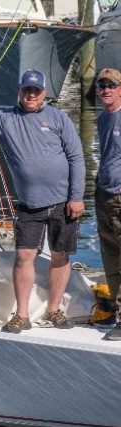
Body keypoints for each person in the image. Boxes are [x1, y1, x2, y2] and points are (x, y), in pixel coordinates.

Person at [0, 69, 84, 333]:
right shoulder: (4, 118)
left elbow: (76, 158)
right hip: (29, 204)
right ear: (19, 90)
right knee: (23, 256)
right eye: (26, 90)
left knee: (60, 256)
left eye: (36, 90)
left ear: (44, 93)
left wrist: (76, 197)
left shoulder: (58, 118)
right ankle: (21, 315)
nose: (31, 94)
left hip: (63, 202)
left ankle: (54, 310)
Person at [94, 68, 121, 341]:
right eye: (102, 85)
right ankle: (116, 307)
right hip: (103, 195)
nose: (106, 90)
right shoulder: (103, 119)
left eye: (111, 85)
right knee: (110, 256)